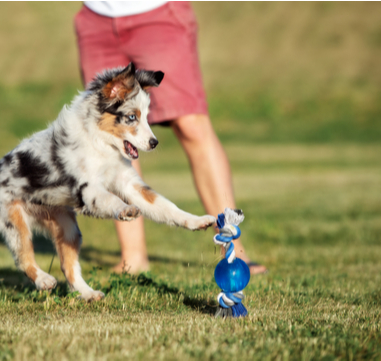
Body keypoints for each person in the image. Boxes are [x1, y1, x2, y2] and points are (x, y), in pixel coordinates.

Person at [74, 1, 267, 275]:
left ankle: (234, 251)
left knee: (191, 125)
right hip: (96, 19)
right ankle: (133, 259)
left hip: (158, 13)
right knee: (114, 135)